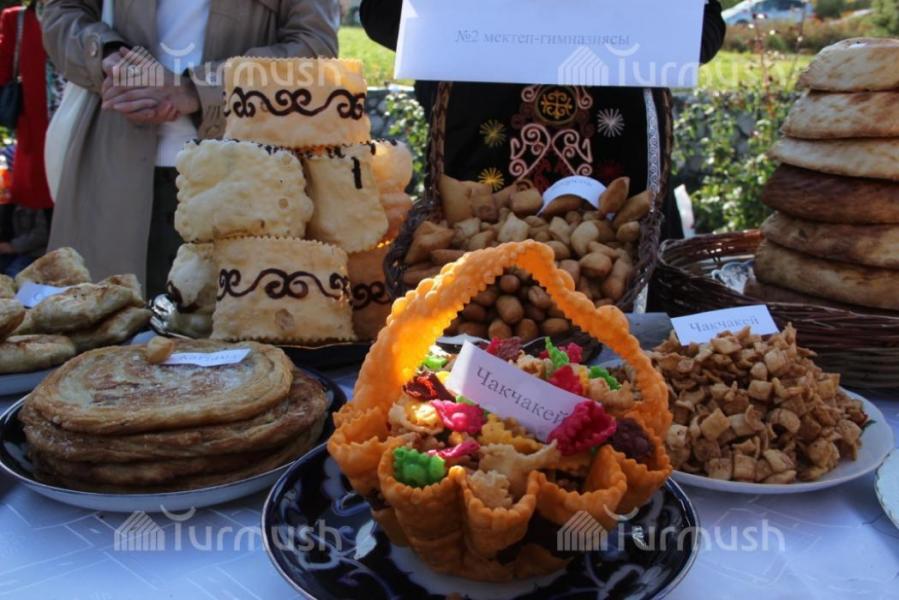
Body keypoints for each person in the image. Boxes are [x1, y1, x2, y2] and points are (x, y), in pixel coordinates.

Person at [41, 0, 340, 296]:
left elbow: (315, 46)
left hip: (243, 185)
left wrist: (199, 89)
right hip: (111, 175)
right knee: (103, 320)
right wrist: (108, 58)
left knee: (230, 322)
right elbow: (62, 12)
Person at [360, 1, 725, 239]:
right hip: (481, 161)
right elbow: (385, 14)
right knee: (477, 304)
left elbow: (702, 31)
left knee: (634, 316)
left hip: (620, 169)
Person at [0, 0, 59, 276]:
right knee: (46, 199)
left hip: (80, 127)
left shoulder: (89, 14)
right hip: (37, 132)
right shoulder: (18, 19)